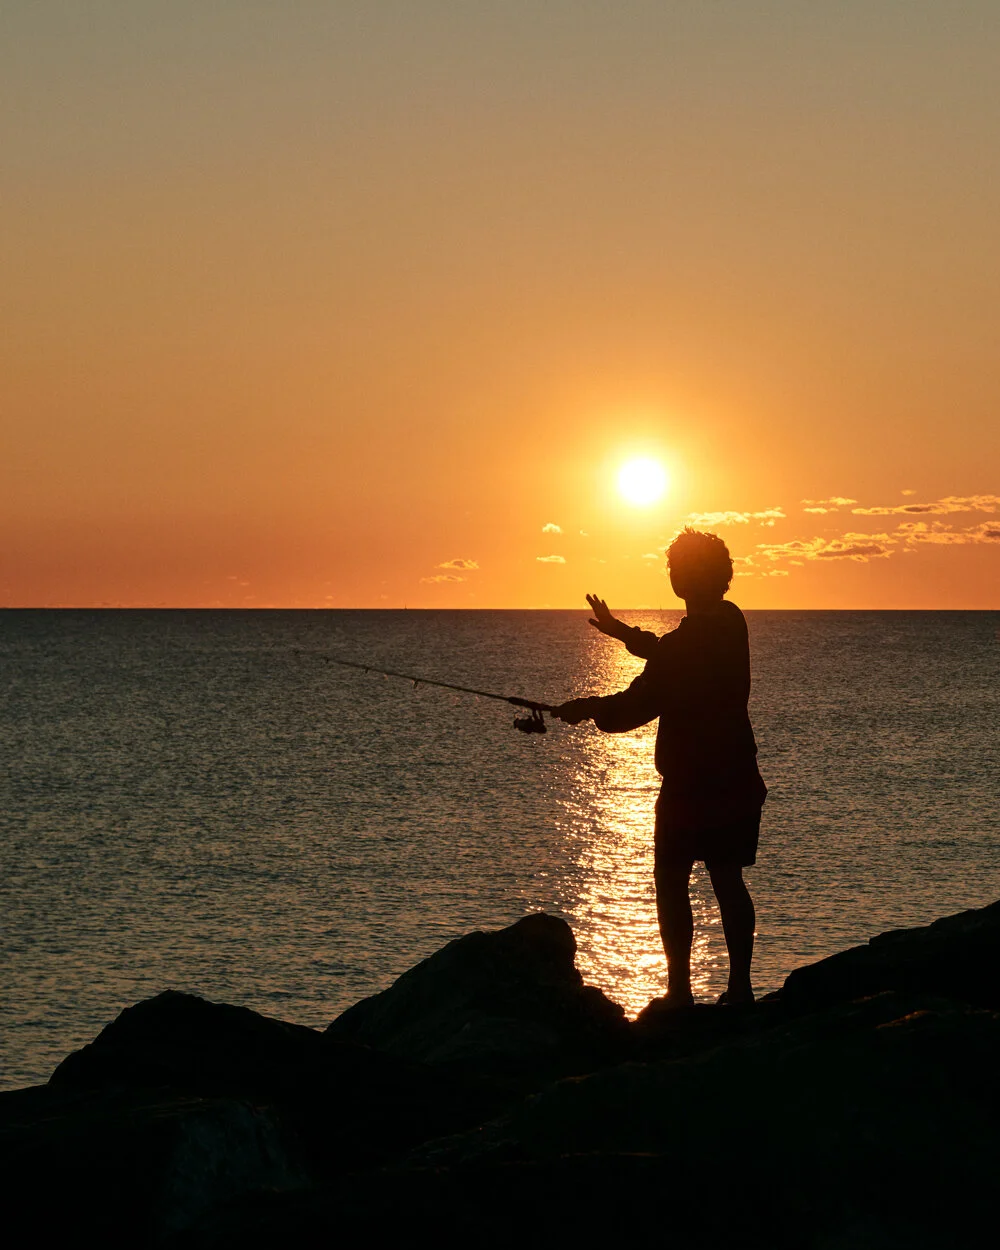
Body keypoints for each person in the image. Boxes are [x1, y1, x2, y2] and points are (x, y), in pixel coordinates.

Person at [552, 528, 767, 1007]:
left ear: (693, 576)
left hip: (693, 785)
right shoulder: (731, 622)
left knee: (671, 879)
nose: (671, 573)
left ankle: (680, 993)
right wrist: (620, 633)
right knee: (727, 878)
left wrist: (587, 707)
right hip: (736, 776)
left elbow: (639, 701)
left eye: (677, 566)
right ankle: (739, 989)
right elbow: (669, 654)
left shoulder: (696, 639)